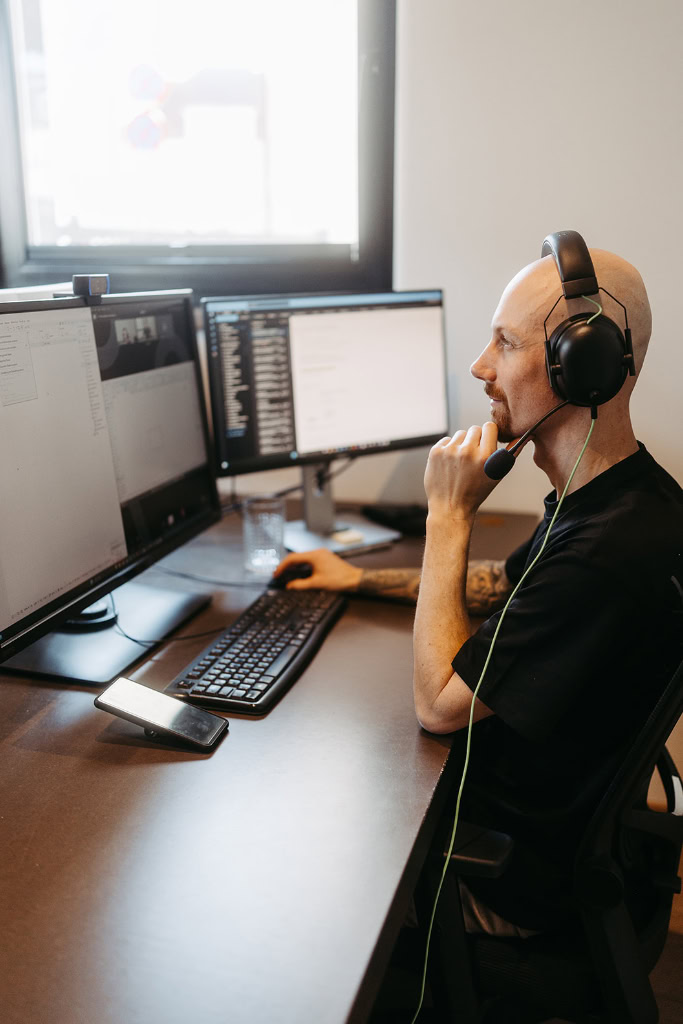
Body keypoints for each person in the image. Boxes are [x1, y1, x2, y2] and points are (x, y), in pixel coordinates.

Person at [274, 239, 683, 935]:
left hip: (514, 889)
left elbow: (437, 705)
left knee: (299, 868)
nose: (479, 366)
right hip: (551, 840)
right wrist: (360, 577)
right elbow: (508, 584)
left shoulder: (603, 555)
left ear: (582, 367)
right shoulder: (623, 499)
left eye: (506, 343)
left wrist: (447, 515)